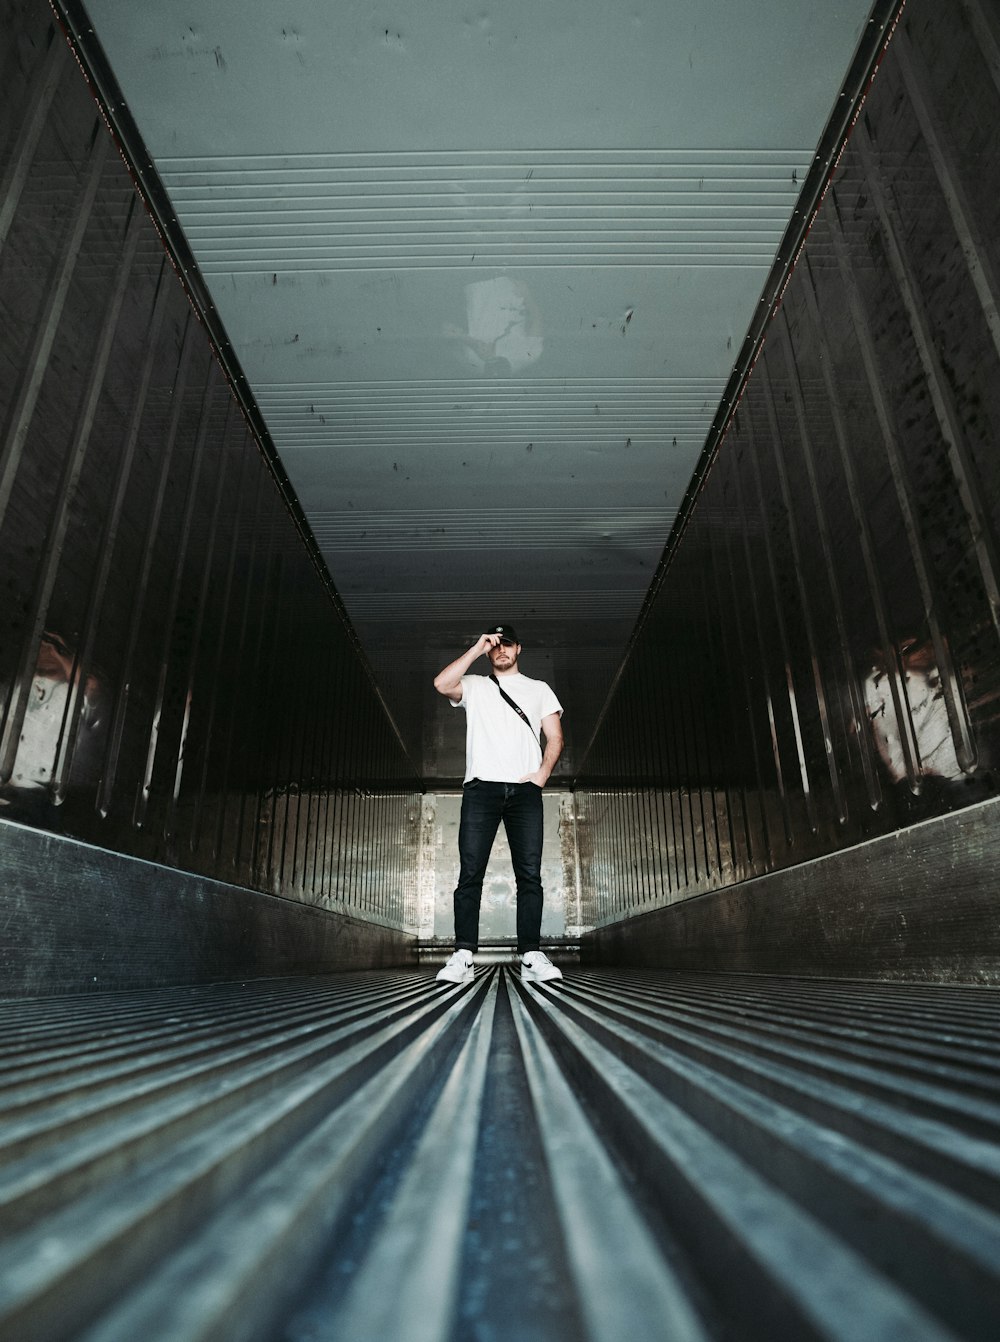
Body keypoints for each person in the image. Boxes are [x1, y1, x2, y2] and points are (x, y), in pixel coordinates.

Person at [433, 624, 564, 984]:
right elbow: (442, 684)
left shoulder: (539, 690)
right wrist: (476, 648)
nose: (500, 649)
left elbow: (555, 736)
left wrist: (540, 776)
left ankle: (531, 956)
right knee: (470, 873)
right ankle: (463, 956)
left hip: (525, 791)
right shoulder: (474, 686)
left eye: (506, 644)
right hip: (481, 788)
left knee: (530, 875)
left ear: (518, 648)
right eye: (494, 645)